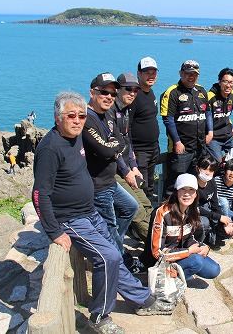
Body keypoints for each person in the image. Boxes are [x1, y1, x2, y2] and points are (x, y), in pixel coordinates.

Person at [33, 91, 172, 334]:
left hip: (89, 212)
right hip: (71, 219)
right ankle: (99, 317)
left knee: (114, 254)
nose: (78, 120)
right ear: (57, 118)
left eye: (81, 116)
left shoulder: (76, 137)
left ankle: (142, 300)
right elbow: (39, 194)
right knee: (107, 257)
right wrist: (54, 231)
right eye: (71, 115)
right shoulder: (50, 148)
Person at [81, 73, 141, 274]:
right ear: (92, 93)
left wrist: (113, 146)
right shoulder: (86, 119)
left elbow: (120, 142)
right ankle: (120, 262)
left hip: (110, 181)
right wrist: (113, 146)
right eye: (104, 92)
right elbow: (107, 150)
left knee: (130, 208)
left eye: (113, 94)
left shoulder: (107, 115)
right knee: (110, 226)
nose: (109, 97)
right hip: (97, 185)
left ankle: (115, 247)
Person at [148, 173, 221, 280]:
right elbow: (157, 252)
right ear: (176, 192)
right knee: (197, 261)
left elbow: (188, 238)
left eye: (191, 190)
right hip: (161, 261)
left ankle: (178, 273)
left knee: (214, 270)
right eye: (183, 189)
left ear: (196, 194)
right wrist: (188, 251)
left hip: (180, 255)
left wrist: (202, 246)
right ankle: (170, 278)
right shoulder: (162, 213)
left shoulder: (192, 211)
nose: (187, 194)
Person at [112, 73, 153, 245]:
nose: (132, 93)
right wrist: (126, 170)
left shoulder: (126, 110)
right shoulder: (110, 112)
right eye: (128, 89)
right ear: (117, 90)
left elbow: (126, 139)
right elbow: (112, 147)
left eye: (136, 90)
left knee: (146, 203)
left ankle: (159, 236)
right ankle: (156, 244)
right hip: (114, 171)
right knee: (136, 208)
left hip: (126, 168)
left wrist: (134, 166)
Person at [160, 60, 212, 193]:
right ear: (180, 73)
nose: (191, 77)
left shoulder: (201, 90)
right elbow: (168, 119)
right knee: (175, 182)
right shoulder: (172, 92)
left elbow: (208, 112)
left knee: (194, 180)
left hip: (199, 147)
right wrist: (177, 142)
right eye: (188, 73)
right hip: (182, 148)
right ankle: (169, 205)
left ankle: (190, 204)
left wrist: (210, 132)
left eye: (195, 74)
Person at [130, 57, 161, 201]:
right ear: (138, 73)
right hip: (140, 151)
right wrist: (131, 151)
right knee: (141, 188)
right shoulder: (134, 95)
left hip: (153, 148)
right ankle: (142, 214)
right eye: (146, 72)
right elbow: (127, 125)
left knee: (149, 188)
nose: (151, 76)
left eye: (153, 72)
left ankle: (149, 213)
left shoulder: (151, 93)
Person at [195, 155, 233, 247]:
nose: (207, 173)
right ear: (197, 168)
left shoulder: (212, 182)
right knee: (204, 222)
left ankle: (212, 236)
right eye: (205, 169)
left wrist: (224, 221)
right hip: (194, 211)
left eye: (211, 170)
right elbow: (195, 208)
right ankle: (198, 243)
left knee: (228, 231)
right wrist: (218, 217)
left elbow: (215, 204)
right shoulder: (192, 184)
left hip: (207, 208)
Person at [206, 68, 233, 161]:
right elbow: (202, 119)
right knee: (219, 162)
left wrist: (230, 128)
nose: (228, 85)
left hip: (228, 136)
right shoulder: (210, 97)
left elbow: (226, 114)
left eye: (231, 82)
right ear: (219, 82)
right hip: (213, 138)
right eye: (225, 81)